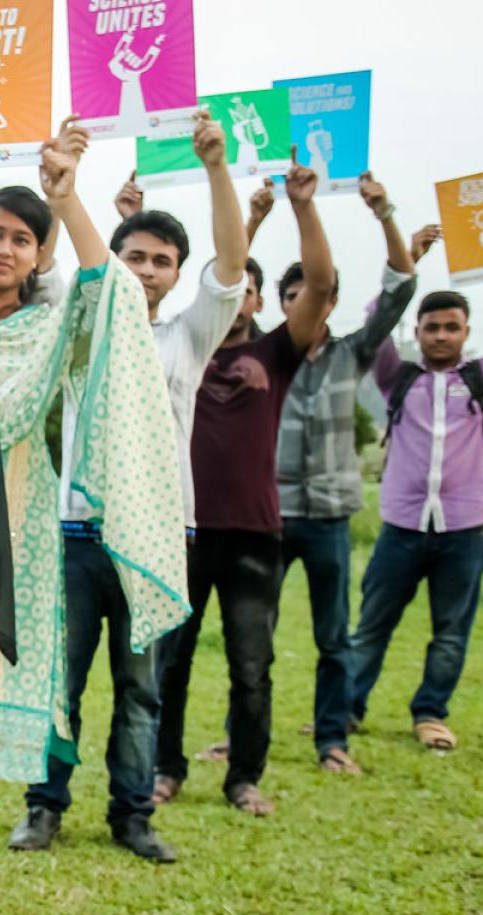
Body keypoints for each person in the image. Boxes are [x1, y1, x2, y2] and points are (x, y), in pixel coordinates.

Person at [0, 119, 188, 908]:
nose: (6, 246)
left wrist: (69, 197)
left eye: (22, 237)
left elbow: (110, 289)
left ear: (41, 254)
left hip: (9, 527)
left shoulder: (56, 328)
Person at [8, 113, 248, 863]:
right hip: (77, 535)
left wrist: (215, 167)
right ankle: (44, 808)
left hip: (158, 534)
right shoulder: (80, 325)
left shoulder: (189, 336)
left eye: (161, 261)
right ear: (111, 264)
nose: (146, 271)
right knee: (60, 683)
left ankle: (132, 815)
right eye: (133, 257)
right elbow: (66, 270)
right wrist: (67, 193)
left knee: (142, 690)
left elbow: (233, 264)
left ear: (178, 274)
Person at [154, 156, 335, 816]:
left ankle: (244, 778)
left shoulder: (274, 354)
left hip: (256, 533)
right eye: (233, 285)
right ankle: (164, 769)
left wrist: (301, 206)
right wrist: (246, 220)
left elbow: (318, 283)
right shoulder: (177, 346)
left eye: (250, 287)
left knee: (251, 667)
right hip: (184, 529)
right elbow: (221, 272)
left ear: (257, 301)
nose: (239, 293)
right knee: (171, 660)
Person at [232, 171, 417, 773]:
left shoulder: (353, 352)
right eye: (289, 297)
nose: (302, 304)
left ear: (327, 302)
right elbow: (227, 285)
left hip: (331, 517)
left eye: (314, 295)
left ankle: (331, 741)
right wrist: (255, 215)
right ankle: (241, 741)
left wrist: (384, 213)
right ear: (281, 306)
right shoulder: (260, 354)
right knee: (252, 639)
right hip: (270, 514)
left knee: (334, 638)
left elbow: (399, 289)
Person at [349, 206, 483, 753]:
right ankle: (347, 707)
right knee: (371, 625)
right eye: (431, 327)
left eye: (450, 327)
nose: (440, 335)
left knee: (451, 631)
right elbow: (375, 320)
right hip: (401, 527)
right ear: (418, 331)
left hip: (465, 529)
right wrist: (407, 260)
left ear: (465, 331)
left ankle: (431, 712)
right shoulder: (397, 377)